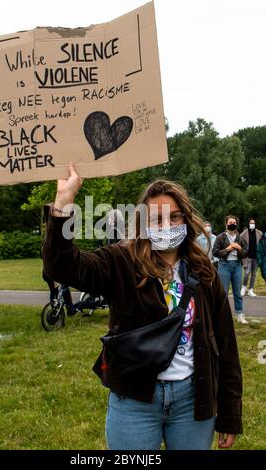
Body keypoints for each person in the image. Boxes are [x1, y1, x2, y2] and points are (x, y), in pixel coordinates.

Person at [43, 163, 242, 451]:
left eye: (174, 217)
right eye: (157, 219)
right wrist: (63, 203)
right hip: (134, 400)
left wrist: (230, 415)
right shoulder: (120, 262)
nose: (167, 226)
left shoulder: (205, 273)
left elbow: (225, 344)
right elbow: (62, 266)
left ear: (186, 221)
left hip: (193, 401)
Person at [212, 215, 248, 324]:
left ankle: (239, 314)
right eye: (230, 222)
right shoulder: (220, 237)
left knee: (237, 292)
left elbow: (246, 253)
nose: (232, 224)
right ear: (226, 224)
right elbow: (215, 252)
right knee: (223, 292)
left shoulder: (240, 238)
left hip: (237, 266)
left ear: (236, 224)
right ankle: (222, 315)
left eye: (234, 222)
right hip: (224, 266)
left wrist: (239, 248)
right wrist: (228, 249)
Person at [240, 219, 263, 297]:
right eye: (251, 223)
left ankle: (251, 289)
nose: (252, 224)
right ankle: (244, 287)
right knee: (247, 273)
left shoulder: (259, 233)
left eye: (253, 223)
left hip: (256, 257)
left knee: (254, 274)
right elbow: (240, 244)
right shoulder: (244, 233)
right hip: (248, 257)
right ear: (248, 224)